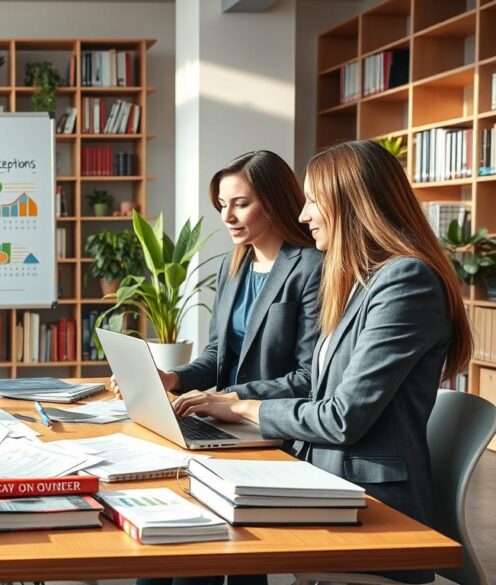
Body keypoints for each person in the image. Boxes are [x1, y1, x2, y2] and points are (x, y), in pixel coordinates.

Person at [176, 140, 472, 584]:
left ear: (352, 205)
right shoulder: (360, 281)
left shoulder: (406, 282)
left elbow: (341, 418)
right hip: (324, 480)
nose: (302, 214)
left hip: (370, 506)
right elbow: (320, 393)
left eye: (314, 200)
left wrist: (239, 405)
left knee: (201, 536)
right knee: (189, 521)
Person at [114, 150, 322, 409]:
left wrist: (228, 398)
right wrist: (169, 378)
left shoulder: (311, 267)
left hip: (270, 422)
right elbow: (217, 356)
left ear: (273, 203)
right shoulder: (232, 266)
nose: (227, 216)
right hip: (223, 415)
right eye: (223, 205)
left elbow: (309, 378)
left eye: (241, 204)